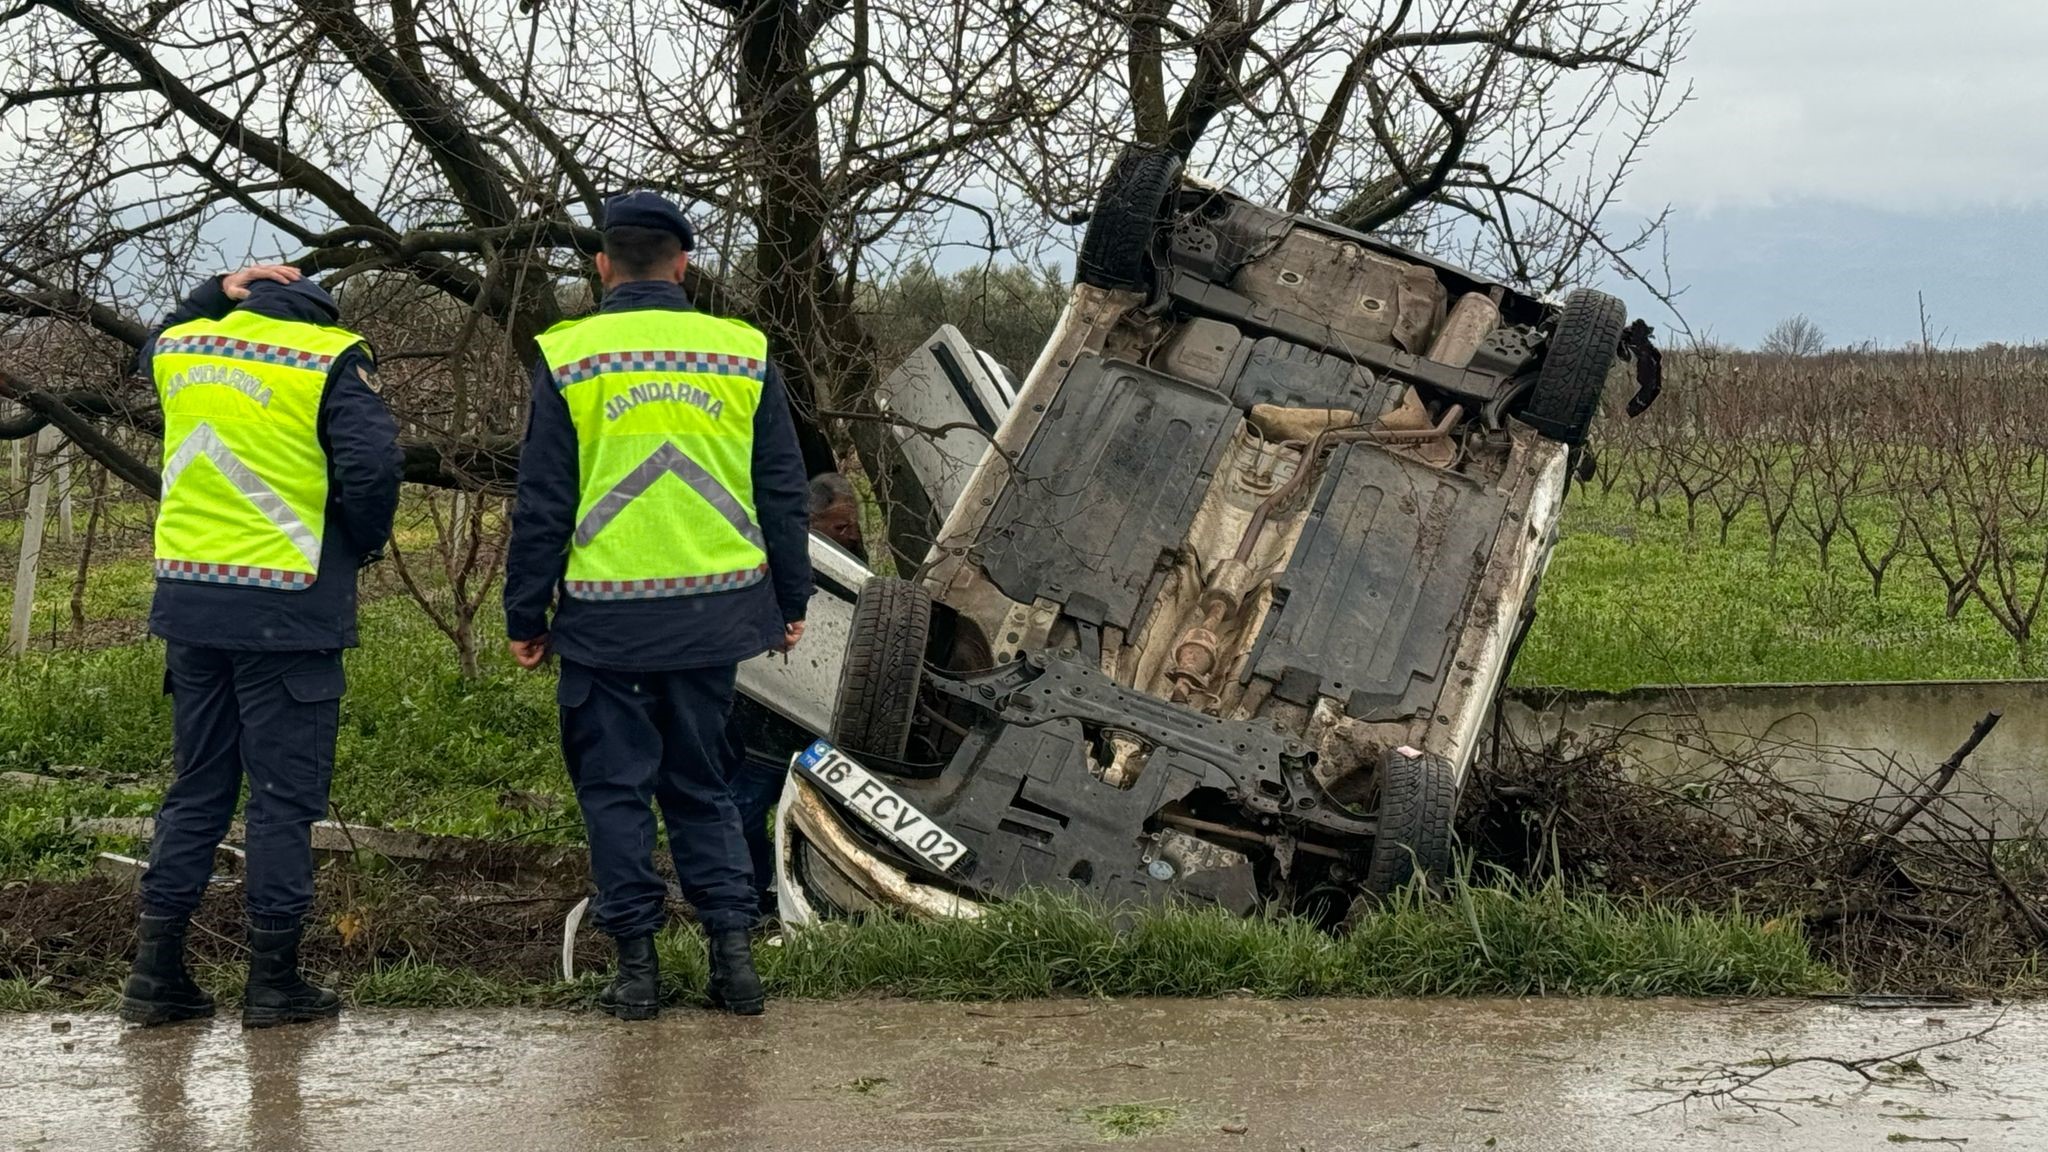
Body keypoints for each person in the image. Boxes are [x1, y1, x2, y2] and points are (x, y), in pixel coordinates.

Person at [504, 191, 812, 1021]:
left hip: (606, 623)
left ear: (603, 267)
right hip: (715, 615)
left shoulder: (570, 354)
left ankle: (636, 974)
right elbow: (783, 490)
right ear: (682, 266)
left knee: (614, 793)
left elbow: (542, 503)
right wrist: (791, 596)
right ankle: (734, 965)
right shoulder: (741, 351)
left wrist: (525, 617)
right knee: (704, 786)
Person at [121, 264, 402, 1029]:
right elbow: (374, 466)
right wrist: (362, 542)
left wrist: (217, 286)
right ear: (316, 313)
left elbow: (157, 333)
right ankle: (273, 984)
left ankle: (155, 976)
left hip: (192, 606)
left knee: (197, 791)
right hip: (290, 606)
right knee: (280, 803)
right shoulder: (330, 356)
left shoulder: (185, 349)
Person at [722, 473, 866, 920]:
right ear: (810, 525)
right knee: (743, 807)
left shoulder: (853, 570)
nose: (851, 536)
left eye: (852, 526)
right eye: (839, 528)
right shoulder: (774, 559)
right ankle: (748, 897)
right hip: (763, 719)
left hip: (820, 722)